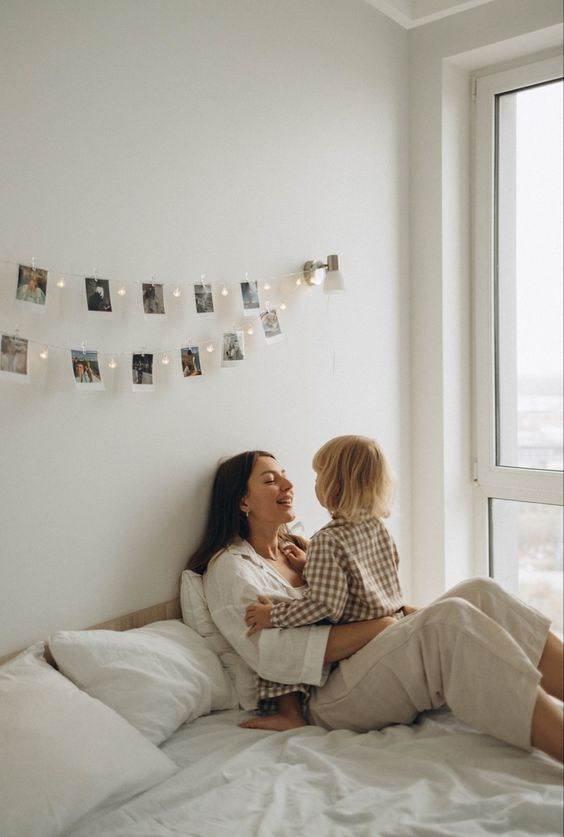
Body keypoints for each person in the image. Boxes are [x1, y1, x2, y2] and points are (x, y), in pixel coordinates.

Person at [187, 450, 564, 763]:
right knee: (450, 622)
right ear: (242, 500)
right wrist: (385, 625)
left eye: (284, 475)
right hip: (325, 695)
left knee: (478, 592)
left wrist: (406, 616)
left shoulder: (300, 547)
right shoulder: (231, 569)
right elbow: (272, 655)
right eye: (271, 480)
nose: (288, 485)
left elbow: (363, 602)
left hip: (365, 661)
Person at [242, 435, 418, 730]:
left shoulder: (327, 539)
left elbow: (326, 607)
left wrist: (272, 615)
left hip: (361, 646)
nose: (307, 484)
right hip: (392, 624)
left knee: (281, 639)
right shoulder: (377, 528)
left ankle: (290, 714)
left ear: (334, 484)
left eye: (319, 475)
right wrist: (311, 567)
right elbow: (364, 579)